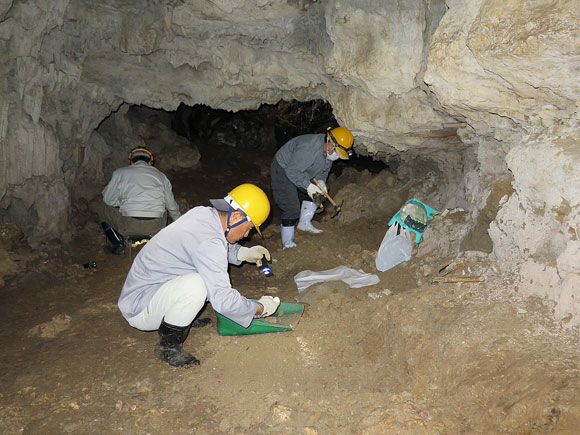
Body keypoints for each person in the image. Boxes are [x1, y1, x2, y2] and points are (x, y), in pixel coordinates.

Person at [117, 183, 281, 368]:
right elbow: (223, 300)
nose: (246, 234)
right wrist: (259, 308)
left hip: (151, 287)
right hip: (140, 307)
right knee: (199, 285)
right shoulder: (209, 241)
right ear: (235, 216)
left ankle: (181, 315)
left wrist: (242, 253)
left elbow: (211, 245)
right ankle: (167, 346)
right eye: (248, 228)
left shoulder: (203, 214)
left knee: (202, 276)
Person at [271, 126, 354, 249]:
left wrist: (321, 182)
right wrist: (308, 186)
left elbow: (324, 170)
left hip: (303, 169)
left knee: (320, 193)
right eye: (337, 153)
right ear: (330, 143)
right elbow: (292, 171)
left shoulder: (328, 151)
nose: (336, 157)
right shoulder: (309, 149)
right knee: (292, 208)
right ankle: (287, 244)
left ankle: (304, 223)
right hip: (284, 168)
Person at [101, 147, 181, 253]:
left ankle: (118, 244)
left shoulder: (119, 173)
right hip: (156, 227)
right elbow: (171, 206)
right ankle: (156, 241)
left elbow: (108, 199)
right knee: (163, 207)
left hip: (129, 226)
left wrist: (122, 203)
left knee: (102, 207)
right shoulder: (161, 176)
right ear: (150, 162)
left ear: (131, 162)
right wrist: (179, 222)